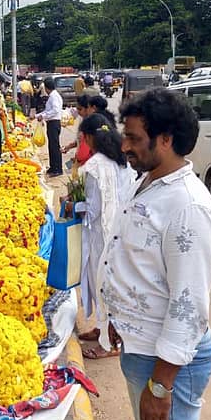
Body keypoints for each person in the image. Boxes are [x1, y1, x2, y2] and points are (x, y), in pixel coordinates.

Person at [96, 88, 211, 420]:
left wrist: (161, 386)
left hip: (166, 365)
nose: (124, 146)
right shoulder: (150, 182)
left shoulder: (188, 207)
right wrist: (121, 318)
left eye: (134, 138)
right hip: (143, 349)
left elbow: (189, 306)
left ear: (165, 140)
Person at [75, 114, 136, 359]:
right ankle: (103, 329)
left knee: (101, 283)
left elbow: (92, 209)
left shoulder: (94, 167)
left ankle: (108, 342)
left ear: (89, 137)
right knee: (112, 284)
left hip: (101, 233)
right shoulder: (122, 161)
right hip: (120, 230)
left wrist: (71, 206)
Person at [36, 77, 64, 178]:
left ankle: (57, 169)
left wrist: (43, 116)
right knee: (51, 146)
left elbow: (55, 111)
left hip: (54, 122)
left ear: (47, 88)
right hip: (51, 122)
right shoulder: (52, 96)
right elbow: (48, 110)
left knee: (55, 146)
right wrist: (38, 115)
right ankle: (53, 167)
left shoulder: (54, 96)